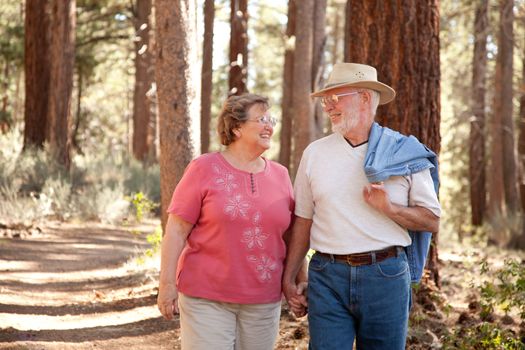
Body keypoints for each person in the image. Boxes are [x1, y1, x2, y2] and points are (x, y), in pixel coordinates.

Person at [282, 63, 441, 350]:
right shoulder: (314, 153)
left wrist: (390, 209)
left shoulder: (403, 152)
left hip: (386, 276)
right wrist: (289, 275)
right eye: (325, 100)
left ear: (365, 97)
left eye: (336, 97)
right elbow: (303, 219)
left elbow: (432, 220)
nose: (328, 106)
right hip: (326, 276)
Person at [157, 93, 300, 350]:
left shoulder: (281, 175)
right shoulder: (203, 168)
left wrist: (299, 281)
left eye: (272, 119)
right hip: (206, 297)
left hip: (264, 299)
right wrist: (167, 285)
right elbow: (176, 231)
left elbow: (291, 236)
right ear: (236, 128)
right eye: (262, 119)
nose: (270, 125)